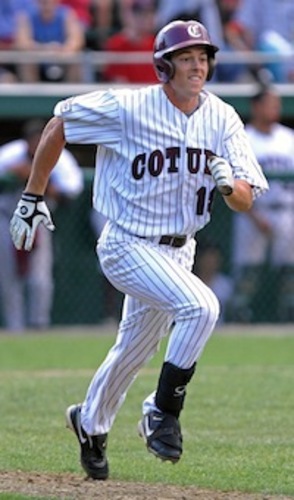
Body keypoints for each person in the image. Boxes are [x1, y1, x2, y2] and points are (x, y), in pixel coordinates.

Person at [9, 19, 268, 479]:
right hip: (127, 243)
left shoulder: (222, 116)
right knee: (202, 306)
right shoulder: (127, 107)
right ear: (163, 67)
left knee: (133, 350)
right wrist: (32, 196)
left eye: (203, 57)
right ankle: (162, 410)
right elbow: (59, 124)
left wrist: (229, 186)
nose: (197, 66)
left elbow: (247, 197)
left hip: (178, 250)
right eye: (186, 59)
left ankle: (89, 422)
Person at [0, 119, 83, 332]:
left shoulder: (60, 156)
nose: (36, 144)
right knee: (9, 278)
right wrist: (12, 174)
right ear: (26, 141)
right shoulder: (10, 154)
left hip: (40, 221)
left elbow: (72, 189)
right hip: (6, 217)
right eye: (32, 139)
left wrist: (43, 182)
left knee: (40, 278)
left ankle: (39, 325)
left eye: (40, 138)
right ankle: (15, 327)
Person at [231, 87, 294, 322]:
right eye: (270, 103)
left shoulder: (288, 138)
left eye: (277, 104)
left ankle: (286, 317)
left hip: (287, 210)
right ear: (256, 107)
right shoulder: (244, 138)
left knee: (289, 270)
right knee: (248, 270)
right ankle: (239, 318)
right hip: (253, 211)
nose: (275, 108)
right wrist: (256, 217)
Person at [14, 0, 85, 83]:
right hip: (37, 58)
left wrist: (62, 50)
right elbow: (22, 43)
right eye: (43, 1)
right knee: (26, 60)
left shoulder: (67, 14)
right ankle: (31, 94)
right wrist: (43, 49)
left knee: (75, 60)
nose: (46, 3)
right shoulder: (26, 15)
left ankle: (72, 93)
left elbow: (76, 40)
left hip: (61, 57)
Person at [225, 0, 294, 82]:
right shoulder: (255, 2)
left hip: (289, 55)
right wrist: (248, 55)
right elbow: (232, 32)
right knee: (269, 49)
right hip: (264, 61)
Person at [101, 0, 158, 84]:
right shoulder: (115, 44)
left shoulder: (158, 44)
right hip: (127, 95)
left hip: (154, 95)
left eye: (150, 12)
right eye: (140, 13)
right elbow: (118, 82)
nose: (147, 17)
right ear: (128, 14)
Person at [193, 239, 233, 324]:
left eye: (214, 257)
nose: (211, 261)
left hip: (221, 329)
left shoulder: (225, 284)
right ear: (199, 259)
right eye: (207, 257)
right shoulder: (191, 282)